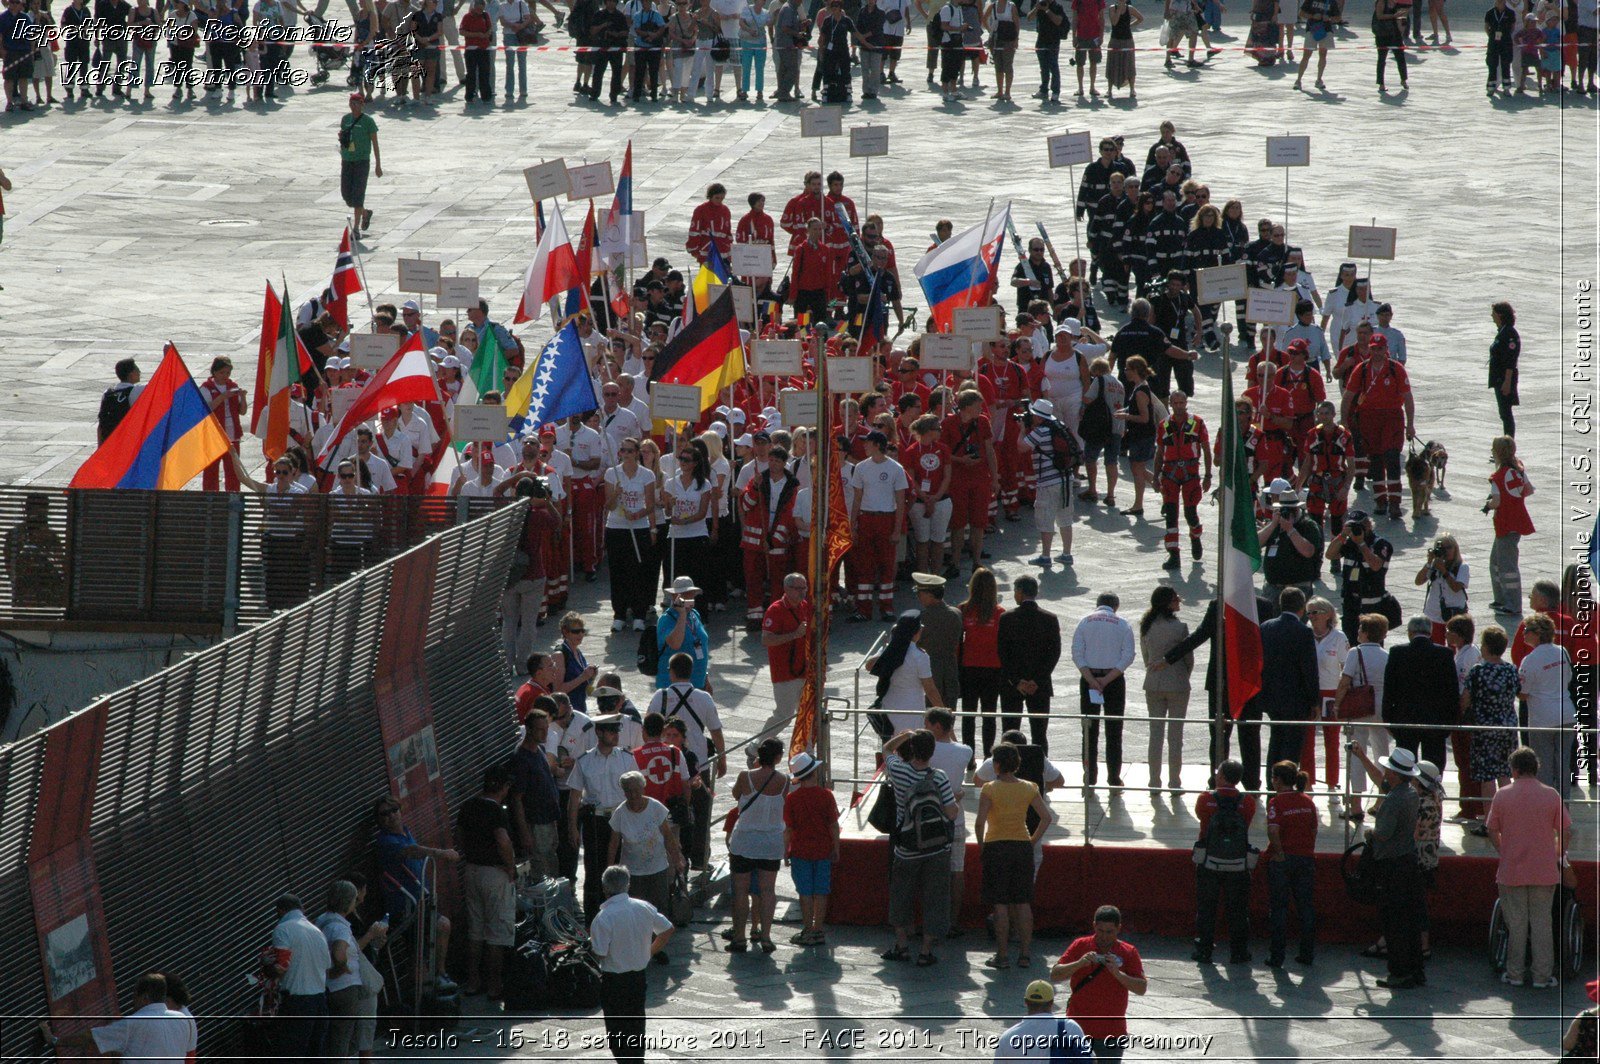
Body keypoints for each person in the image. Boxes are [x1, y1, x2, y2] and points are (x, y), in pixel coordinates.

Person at [880, 728, 959, 966]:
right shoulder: (939, 777)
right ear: (933, 752)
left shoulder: (899, 770)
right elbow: (951, 812)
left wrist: (905, 735)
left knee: (901, 894)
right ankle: (925, 951)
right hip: (936, 848)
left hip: (907, 846)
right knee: (935, 897)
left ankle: (902, 946)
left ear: (911, 749)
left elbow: (886, 749)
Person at [976, 742, 1053, 969]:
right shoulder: (1029, 787)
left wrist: (982, 846)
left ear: (996, 765)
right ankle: (1025, 954)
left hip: (996, 844)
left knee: (999, 902)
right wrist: (1032, 841)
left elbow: (980, 822)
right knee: (1023, 901)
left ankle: (1002, 955)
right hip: (1021, 844)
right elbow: (1046, 817)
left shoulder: (989, 788)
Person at [645, 653, 725, 869]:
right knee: (701, 813)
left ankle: (669, 858)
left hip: (667, 766)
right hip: (698, 765)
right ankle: (700, 859)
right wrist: (723, 758)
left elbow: (648, 729)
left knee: (668, 812)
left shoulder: (659, 697)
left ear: (671, 672)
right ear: (691, 672)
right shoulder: (704, 698)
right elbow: (716, 731)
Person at [589, 865, 675, 1064]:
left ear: (605, 888)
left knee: (616, 1029)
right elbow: (667, 929)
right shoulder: (643, 907)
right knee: (636, 1023)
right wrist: (649, 952)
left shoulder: (603, 917)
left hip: (613, 980)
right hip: (638, 977)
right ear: (628, 885)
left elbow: (599, 953)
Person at [372, 798, 457, 983]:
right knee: (417, 950)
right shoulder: (385, 842)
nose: (391, 816)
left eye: (394, 810)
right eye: (384, 814)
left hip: (421, 899)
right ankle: (424, 992)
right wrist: (440, 853)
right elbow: (411, 851)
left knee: (441, 927)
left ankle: (439, 973)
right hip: (405, 906)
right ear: (379, 820)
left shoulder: (405, 831)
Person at [1363, 746, 1425, 990]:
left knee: (1394, 922)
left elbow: (1384, 834)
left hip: (1392, 865)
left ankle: (1399, 971)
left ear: (1395, 774)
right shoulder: (1411, 794)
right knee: (1410, 921)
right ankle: (1415, 969)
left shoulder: (1394, 799)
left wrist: (1370, 832)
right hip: (1407, 861)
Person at [1049, 905, 1145, 1061]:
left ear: (1118, 928)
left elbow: (1141, 988)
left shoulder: (1128, 952)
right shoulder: (1080, 945)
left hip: (1111, 1034)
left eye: (1110, 932)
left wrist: (1117, 973)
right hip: (1077, 1030)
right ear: (1094, 925)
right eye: (1100, 931)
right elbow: (1055, 974)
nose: (1105, 936)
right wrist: (1079, 963)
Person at [568, 714, 636, 920]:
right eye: (611, 731)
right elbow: (575, 795)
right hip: (596, 821)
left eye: (617, 730)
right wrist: (572, 827)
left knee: (622, 868)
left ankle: (622, 916)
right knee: (594, 869)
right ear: (599, 732)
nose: (616, 735)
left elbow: (637, 790)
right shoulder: (585, 761)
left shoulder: (627, 758)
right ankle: (593, 919)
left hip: (621, 818)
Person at [1250, 588, 1320, 788]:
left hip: (1271, 697)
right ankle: (1286, 785)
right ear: (1302, 607)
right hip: (1296, 699)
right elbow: (1309, 669)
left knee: (1276, 740)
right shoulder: (1304, 632)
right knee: (1292, 745)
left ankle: (1273, 785)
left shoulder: (1266, 627)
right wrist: (1314, 701)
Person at [458, 764, 517, 1000]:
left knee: (475, 930)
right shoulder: (496, 811)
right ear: (504, 787)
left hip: (472, 870)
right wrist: (511, 866)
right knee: (496, 932)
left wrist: (472, 854)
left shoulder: (468, 806)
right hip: (494, 873)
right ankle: (494, 986)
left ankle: (473, 982)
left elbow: (459, 837)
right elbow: (503, 840)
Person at [39, 974, 193, 1063]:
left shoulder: (133, 1023)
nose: (133, 1002)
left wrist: (55, 1041)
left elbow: (89, 1037)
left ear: (144, 997)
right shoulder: (182, 1019)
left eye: (134, 996)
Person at [725, 737, 789, 953]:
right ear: (778, 757)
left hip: (745, 840)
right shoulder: (784, 781)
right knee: (768, 891)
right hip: (771, 842)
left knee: (741, 891)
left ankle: (740, 937)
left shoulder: (745, 776)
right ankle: (766, 936)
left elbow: (736, 795)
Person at [1191, 760, 1256, 965]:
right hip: (1238, 863)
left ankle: (1204, 951)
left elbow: (1201, 818)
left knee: (1206, 909)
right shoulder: (1248, 802)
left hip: (1209, 862)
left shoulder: (1205, 799)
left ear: (1221, 777)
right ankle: (1239, 952)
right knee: (1238, 910)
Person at [1071, 592, 1136, 788]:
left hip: (1089, 679)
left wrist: (1091, 680)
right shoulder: (1123, 624)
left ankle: (1089, 776)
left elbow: (1077, 653)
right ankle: (1114, 777)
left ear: (1097, 604)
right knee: (1114, 730)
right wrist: (1106, 680)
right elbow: (1128, 656)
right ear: (1116, 606)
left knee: (1089, 730)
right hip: (1114, 680)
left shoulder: (1084, 622)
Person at [607, 770, 684, 928]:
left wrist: (677, 860)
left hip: (657, 868)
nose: (633, 794)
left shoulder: (656, 807)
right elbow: (614, 843)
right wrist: (609, 869)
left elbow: (668, 837)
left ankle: (659, 944)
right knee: (635, 910)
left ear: (643, 788)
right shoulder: (620, 813)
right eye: (628, 791)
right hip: (632, 872)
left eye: (636, 790)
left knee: (659, 908)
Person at [1381, 615, 1460, 769]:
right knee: (1433, 767)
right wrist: (1450, 722)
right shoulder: (1444, 654)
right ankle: (1431, 792)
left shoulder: (1397, 652)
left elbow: (1389, 689)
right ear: (1430, 632)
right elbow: (1452, 691)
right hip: (1435, 721)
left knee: (1404, 767)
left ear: (1410, 632)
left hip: (1405, 719)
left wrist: (1388, 719)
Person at [998, 575, 1062, 751]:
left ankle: (1008, 770)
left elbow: (1003, 653)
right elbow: (1054, 654)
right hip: (1039, 686)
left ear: (1019, 592)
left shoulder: (1007, 618)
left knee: (1010, 733)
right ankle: (1040, 771)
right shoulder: (1050, 618)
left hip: (1012, 686)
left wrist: (1017, 680)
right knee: (1040, 734)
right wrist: (1037, 680)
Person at [1138, 586, 1191, 793]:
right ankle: (1174, 781)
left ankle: (1154, 781)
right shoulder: (1180, 628)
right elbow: (1188, 659)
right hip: (1177, 683)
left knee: (1155, 734)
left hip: (1153, 682)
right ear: (1168, 603)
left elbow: (1145, 655)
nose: (1179, 601)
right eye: (1176, 599)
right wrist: (1182, 676)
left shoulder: (1146, 625)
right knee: (1176, 735)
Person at [1016, 399, 1082, 567]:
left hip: (1048, 481)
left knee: (1046, 517)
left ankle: (1045, 556)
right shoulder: (1059, 425)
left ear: (1038, 417)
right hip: (1066, 478)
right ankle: (1066, 553)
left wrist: (1022, 430)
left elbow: (1021, 447)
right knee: (1065, 518)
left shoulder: (1041, 431)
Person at [783, 751, 839, 946]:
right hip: (823, 849)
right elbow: (833, 825)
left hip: (800, 850)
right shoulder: (826, 796)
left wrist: (785, 852)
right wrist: (836, 848)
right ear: (814, 773)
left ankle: (807, 929)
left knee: (805, 892)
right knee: (821, 891)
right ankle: (818, 930)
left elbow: (789, 829)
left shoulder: (792, 799)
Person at [1264, 761, 1317, 967]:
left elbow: (1273, 830)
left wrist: (1278, 852)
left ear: (1277, 780)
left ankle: (1277, 956)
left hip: (1283, 861)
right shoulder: (1307, 801)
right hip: (1305, 858)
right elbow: (1313, 830)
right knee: (1306, 908)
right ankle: (1307, 953)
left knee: (1279, 909)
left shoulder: (1277, 803)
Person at [1152, 390, 1211, 570]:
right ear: (1170, 404)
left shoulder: (1197, 423)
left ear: (1186, 403)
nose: (1178, 406)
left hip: (1191, 473)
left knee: (1190, 513)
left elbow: (1207, 449)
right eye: (1175, 403)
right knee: (1171, 515)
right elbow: (1160, 452)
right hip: (1170, 473)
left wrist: (1208, 475)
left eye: (1181, 403)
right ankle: (1174, 555)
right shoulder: (1164, 425)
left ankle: (1195, 536)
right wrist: (1155, 477)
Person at [1519, 613, 1576, 797]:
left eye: (1527, 630)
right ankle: (1563, 809)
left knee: (1543, 767)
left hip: (1542, 718)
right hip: (1566, 713)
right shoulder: (1562, 651)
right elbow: (1568, 679)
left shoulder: (1530, 660)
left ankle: (1545, 810)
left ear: (1537, 633)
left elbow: (1523, 693)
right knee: (1563, 764)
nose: (1523, 634)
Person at [866, 611, 946, 735]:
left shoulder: (890, 649)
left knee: (890, 746)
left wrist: (889, 649)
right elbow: (930, 690)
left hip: (889, 707)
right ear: (916, 632)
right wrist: (943, 712)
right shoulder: (920, 656)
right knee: (911, 748)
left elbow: (869, 665)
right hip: (912, 710)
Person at [1326, 510, 1394, 643]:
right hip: (1350, 601)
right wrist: (1342, 535)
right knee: (1350, 642)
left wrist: (1362, 544)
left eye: (1359, 525)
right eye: (1352, 526)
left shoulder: (1380, 544)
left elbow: (1375, 565)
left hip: (1371, 603)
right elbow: (1330, 555)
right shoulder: (1350, 543)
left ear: (1368, 525)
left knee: (1371, 642)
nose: (1356, 529)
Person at [1304, 597, 1349, 798]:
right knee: (1307, 739)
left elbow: (1346, 667)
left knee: (1332, 739)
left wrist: (1341, 696)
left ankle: (1332, 783)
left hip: (1331, 693)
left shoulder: (1339, 638)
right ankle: (1307, 782)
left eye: (1316, 612)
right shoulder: (1305, 634)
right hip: (1310, 693)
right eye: (1309, 613)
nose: (1311, 617)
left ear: (1328, 614)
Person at [960, 567, 1006, 755]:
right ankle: (989, 755)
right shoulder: (1000, 613)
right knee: (989, 715)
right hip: (993, 669)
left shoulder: (963, 610)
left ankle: (968, 756)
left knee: (968, 715)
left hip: (968, 668)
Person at [1486, 436, 1534, 614]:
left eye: (1493, 450)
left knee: (1507, 567)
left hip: (1505, 523)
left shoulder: (1498, 477)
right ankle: (1500, 599)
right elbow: (1528, 490)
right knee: (1496, 562)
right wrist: (1514, 498)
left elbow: (1496, 502)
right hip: (1517, 521)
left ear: (1498, 453)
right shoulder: (1518, 469)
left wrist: (1489, 504)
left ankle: (1512, 605)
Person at [994, 980, 1092, 1061]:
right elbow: (1090, 1059)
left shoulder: (1007, 1038)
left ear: (1026, 1002)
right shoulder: (1068, 1027)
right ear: (1052, 1002)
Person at [762, 572, 810, 721]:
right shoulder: (775, 610)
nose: (802, 592)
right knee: (783, 716)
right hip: (784, 673)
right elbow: (766, 640)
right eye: (798, 588)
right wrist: (794, 635)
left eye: (804, 588)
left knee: (807, 714)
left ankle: (806, 745)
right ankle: (757, 744)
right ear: (787, 589)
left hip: (804, 670)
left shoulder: (805, 606)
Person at [915, 572, 965, 712]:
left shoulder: (922, 618)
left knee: (930, 715)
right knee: (949, 711)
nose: (918, 596)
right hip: (950, 668)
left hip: (929, 669)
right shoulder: (956, 613)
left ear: (930, 596)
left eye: (920, 593)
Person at [1259, 491, 1323, 601]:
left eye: (1290, 509)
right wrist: (1272, 525)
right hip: (1273, 587)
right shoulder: (1275, 525)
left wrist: (1290, 530)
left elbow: (1308, 552)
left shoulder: (1308, 525)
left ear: (1297, 509)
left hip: (1298, 587)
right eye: (1283, 509)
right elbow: (1256, 543)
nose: (1286, 512)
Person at [337, 93, 381, 237]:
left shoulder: (368, 121)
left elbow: (375, 143)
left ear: (362, 105)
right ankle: (365, 212)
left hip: (362, 161)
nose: (353, 106)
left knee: (358, 195)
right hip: (347, 160)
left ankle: (355, 228)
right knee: (346, 195)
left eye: (356, 103)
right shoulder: (345, 119)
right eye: (351, 103)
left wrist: (378, 165)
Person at [655, 578, 710, 690]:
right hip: (672, 686)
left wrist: (706, 678)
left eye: (691, 595)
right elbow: (675, 644)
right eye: (684, 595)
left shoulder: (694, 614)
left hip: (698, 683)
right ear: (675, 597)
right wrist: (682, 613)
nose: (689, 599)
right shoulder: (666, 619)